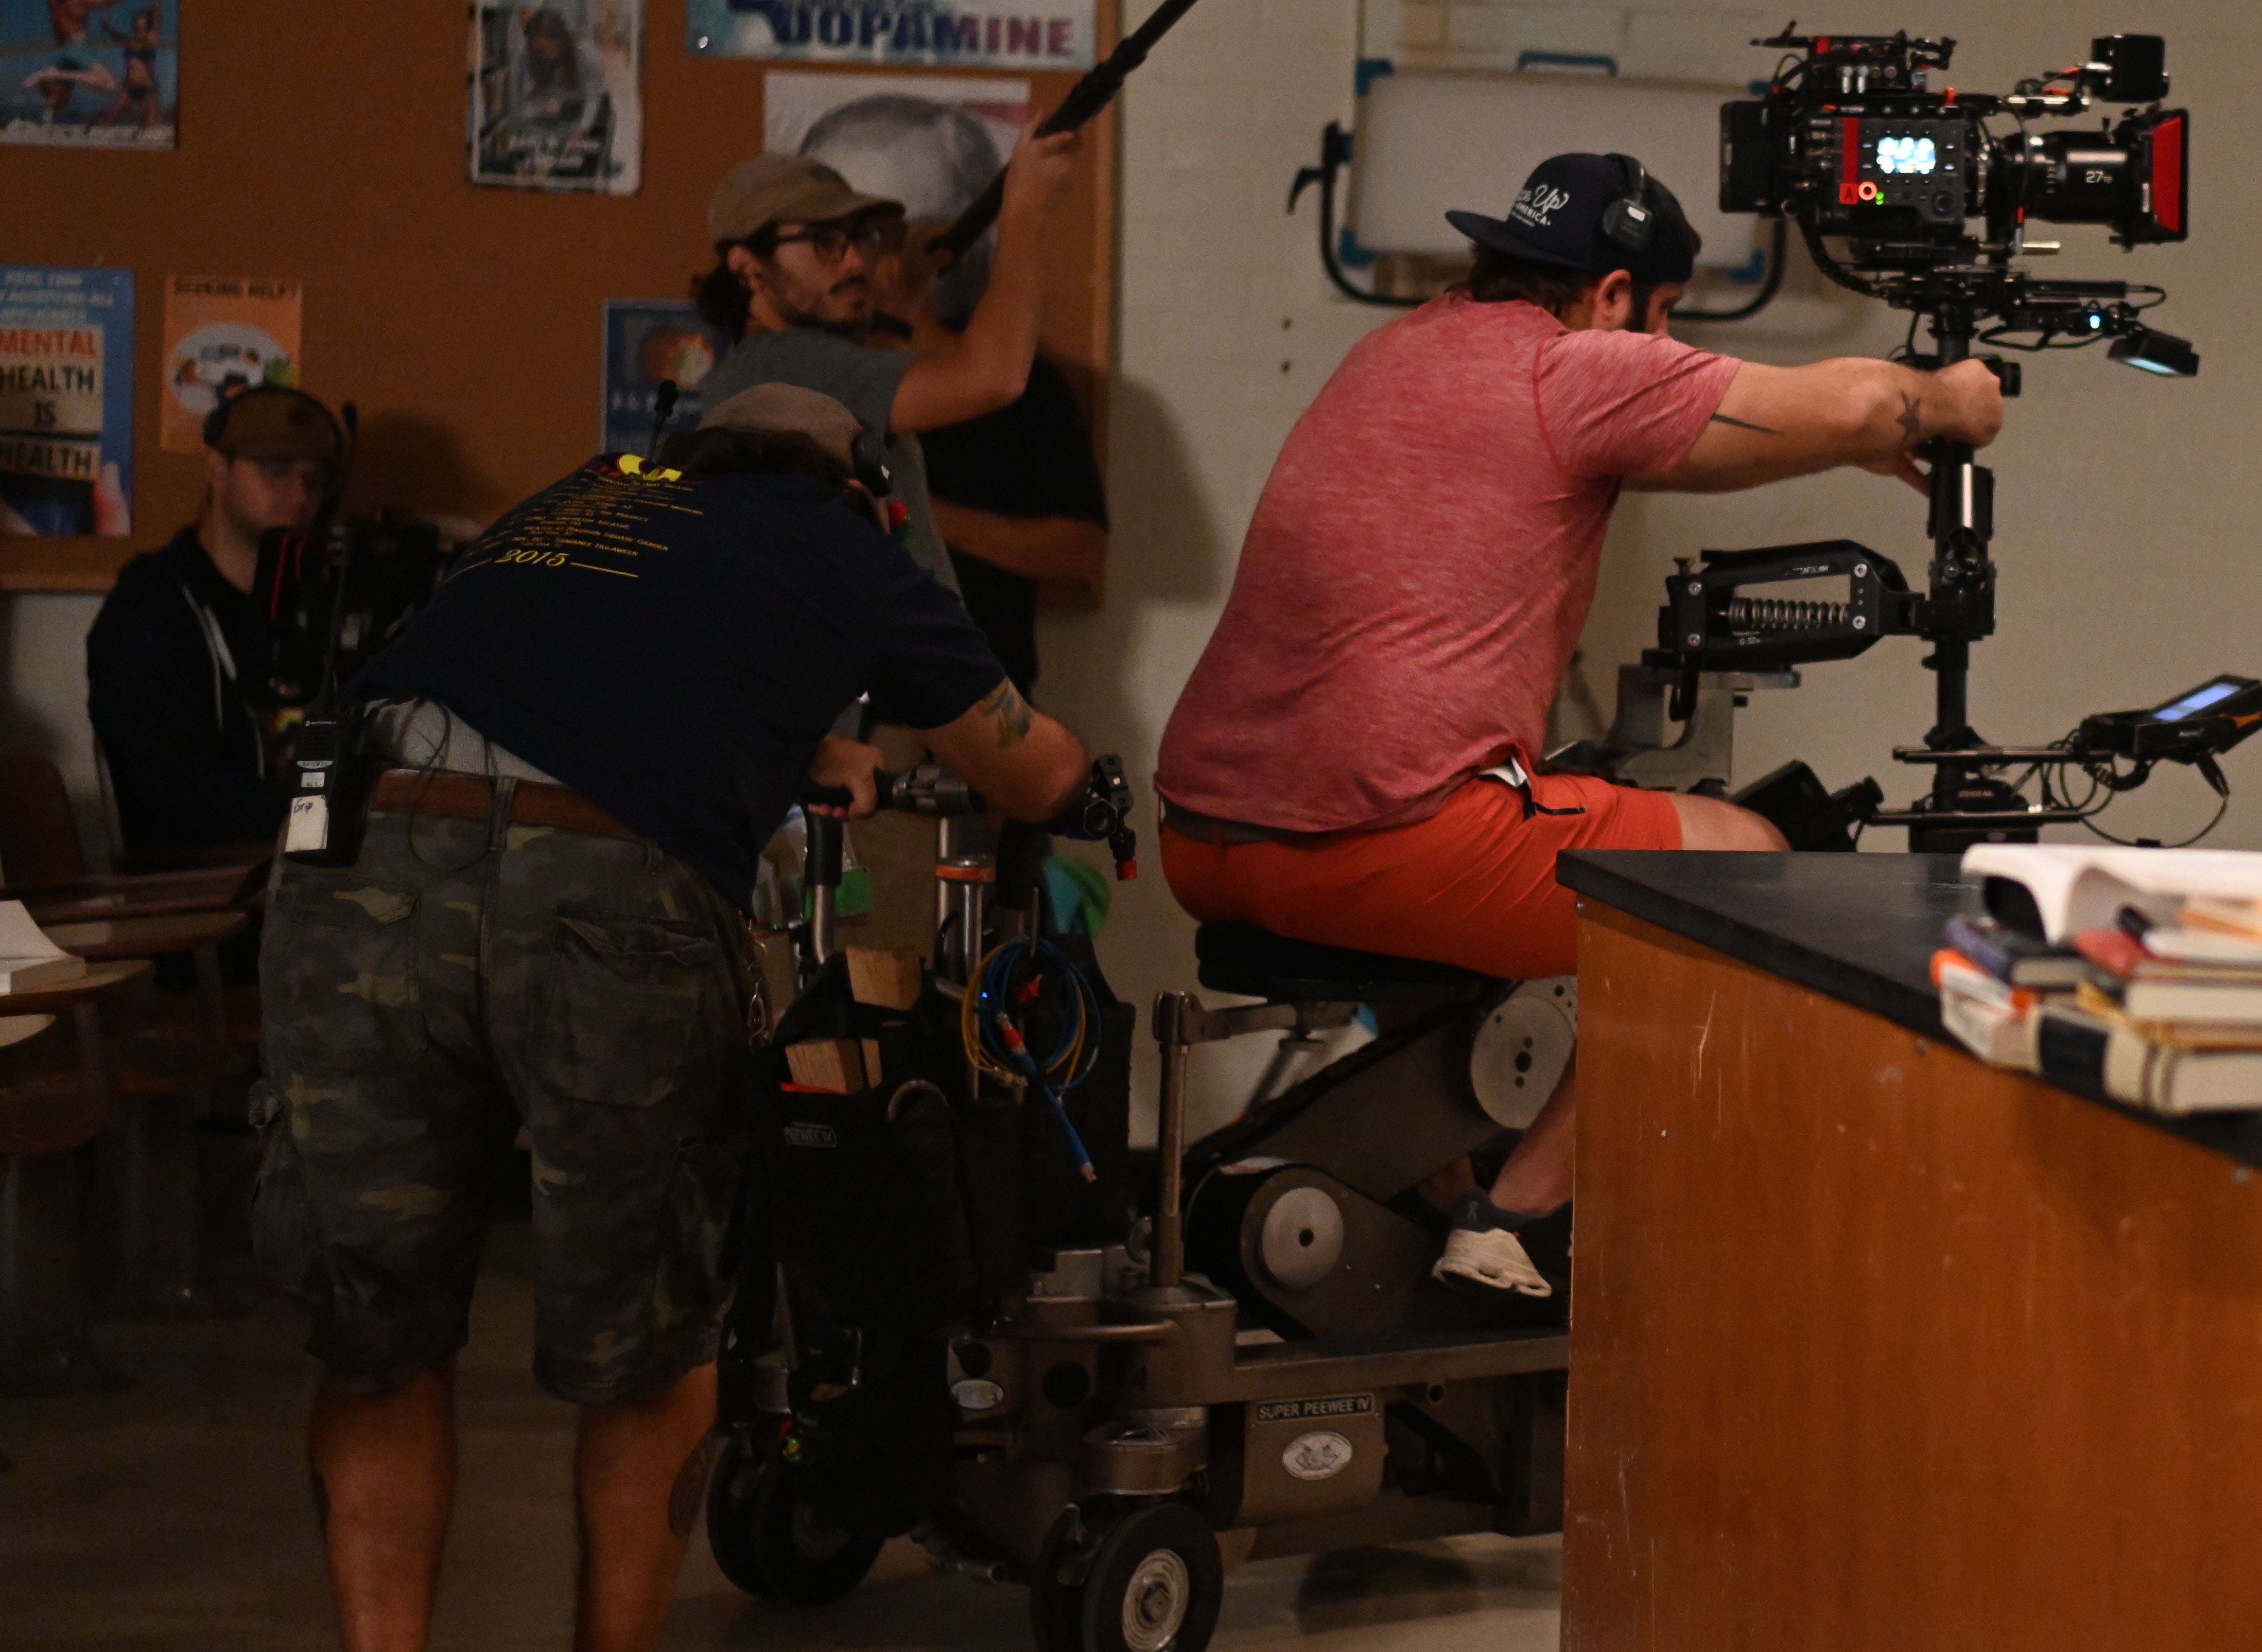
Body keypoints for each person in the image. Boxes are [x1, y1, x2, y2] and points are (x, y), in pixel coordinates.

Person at [258, 383, 1093, 1652]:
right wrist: (1086, 775)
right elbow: (1027, 770)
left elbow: (589, 683)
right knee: (654, 1334)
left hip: (356, 860)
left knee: (377, 1333)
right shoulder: (846, 549)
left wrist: (785, 754)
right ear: (857, 487)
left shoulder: (579, 499)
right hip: (603, 900)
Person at [1154, 153, 2006, 1300]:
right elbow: (1857, 402)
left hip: (1204, 837)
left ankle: (1410, 1195)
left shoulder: (1399, 347)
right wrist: (1955, 399)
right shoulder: (1570, 369)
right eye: (1662, 322)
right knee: (1746, 870)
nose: (1661, 346)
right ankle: (1515, 1219)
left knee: (1517, 862)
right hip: (1376, 848)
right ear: (1610, 300)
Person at [681, 121, 1082, 589]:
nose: (855, 261)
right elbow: (996, 378)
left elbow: (873, 402)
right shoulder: (787, 369)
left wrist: (903, 309)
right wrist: (1027, 209)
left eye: (859, 237)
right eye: (823, 242)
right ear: (748, 266)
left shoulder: (776, 368)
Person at [811, 93, 1109, 693]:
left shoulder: (1025, 385)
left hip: (975, 698)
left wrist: (929, 519)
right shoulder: (818, 375)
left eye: (887, 236)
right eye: (839, 239)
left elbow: (1079, 549)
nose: (862, 263)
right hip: (845, 705)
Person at [84, 382, 343, 856]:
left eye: (316, 478)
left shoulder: (317, 607)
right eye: (277, 470)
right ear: (217, 469)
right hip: (202, 883)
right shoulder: (152, 607)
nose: (301, 493)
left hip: (299, 867)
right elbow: (180, 797)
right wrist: (332, 823)